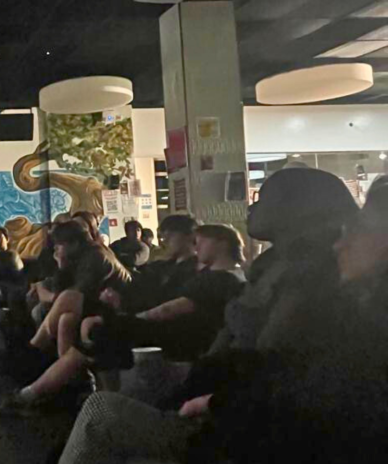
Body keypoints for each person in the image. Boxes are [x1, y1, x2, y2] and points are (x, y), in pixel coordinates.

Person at [58, 183, 387, 464]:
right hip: (232, 400)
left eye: (358, 230)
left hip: (252, 433)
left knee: (102, 411)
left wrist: (218, 401)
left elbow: (306, 386)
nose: (341, 243)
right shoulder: (284, 273)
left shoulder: (324, 293)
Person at [81, 224, 247, 363]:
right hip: (185, 333)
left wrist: (130, 318)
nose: (197, 247)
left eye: (202, 242)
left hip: (182, 338)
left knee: (100, 332)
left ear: (222, 243)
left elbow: (169, 310)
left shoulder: (218, 279)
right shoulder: (232, 275)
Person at [13, 221, 130, 405]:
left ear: (74, 244)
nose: (56, 249)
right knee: (66, 320)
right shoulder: (82, 256)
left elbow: (73, 295)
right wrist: (61, 265)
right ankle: (75, 382)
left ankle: (33, 350)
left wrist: (43, 289)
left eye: (60, 245)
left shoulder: (95, 257)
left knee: (66, 300)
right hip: (97, 305)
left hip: (120, 307)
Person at [108, 214, 200, 314]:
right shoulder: (159, 266)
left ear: (190, 236)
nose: (165, 240)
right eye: (163, 236)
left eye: (171, 235)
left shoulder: (196, 271)